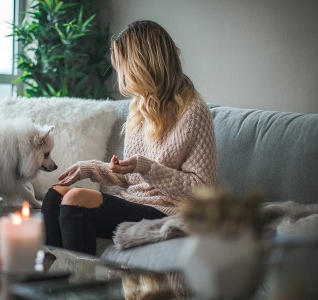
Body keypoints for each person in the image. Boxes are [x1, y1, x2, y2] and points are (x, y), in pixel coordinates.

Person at [41, 20, 217, 255]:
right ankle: (51, 281)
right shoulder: (140, 105)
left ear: (142, 64)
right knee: (55, 195)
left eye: (123, 65)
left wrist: (147, 168)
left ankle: (80, 287)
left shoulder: (192, 110)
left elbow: (203, 190)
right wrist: (91, 168)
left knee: (76, 199)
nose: (121, 73)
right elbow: (131, 177)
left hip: (171, 211)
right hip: (134, 201)